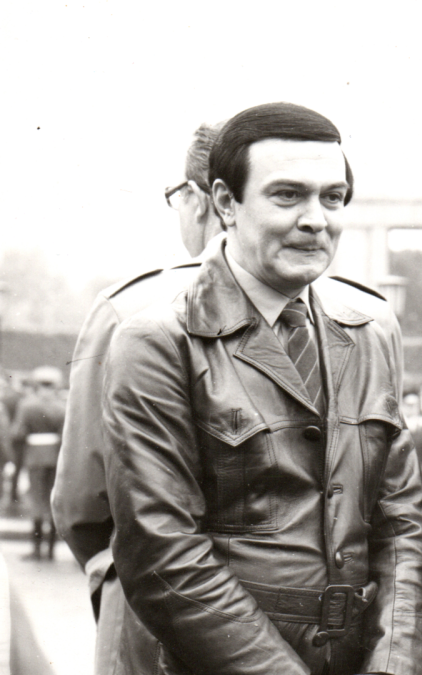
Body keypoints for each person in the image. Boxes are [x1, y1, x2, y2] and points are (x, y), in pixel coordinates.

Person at [102, 102, 422, 675]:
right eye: (287, 196)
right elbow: (163, 553)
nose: (316, 220)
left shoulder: (368, 334)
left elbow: (402, 524)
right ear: (226, 203)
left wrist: (393, 665)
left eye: (333, 197)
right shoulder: (158, 341)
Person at [53, 121, 226, 675]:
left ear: (199, 198)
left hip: (151, 611)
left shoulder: (129, 308)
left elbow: (81, 499)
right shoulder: (349, 315)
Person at [12, 365, 66, 560]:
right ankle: (50, 550)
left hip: (35, 456)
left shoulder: (27, 406)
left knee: (36, 500)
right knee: (52, 501)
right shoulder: (62, 406)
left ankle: (36, 549)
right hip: (55, 456)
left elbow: (17, 433)